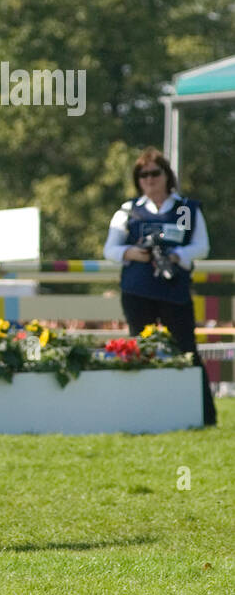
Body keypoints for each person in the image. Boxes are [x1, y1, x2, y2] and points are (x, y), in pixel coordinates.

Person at [103, 147, 216, 426]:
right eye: (143, 175)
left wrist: (179, 256)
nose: (150, 179)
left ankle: (204, 415)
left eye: (155, 173)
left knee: (186, 349)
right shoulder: (128, 211)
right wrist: (131, 252)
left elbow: (201, 246)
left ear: (167, 175)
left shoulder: (185, 209)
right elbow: (110, 249)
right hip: (137, 290)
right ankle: (140, 413)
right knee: (139, 349)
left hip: (174, 289)